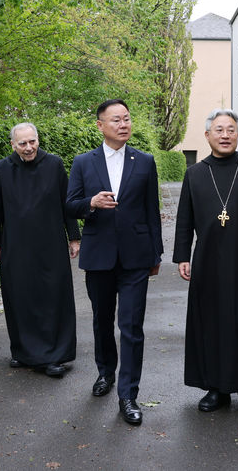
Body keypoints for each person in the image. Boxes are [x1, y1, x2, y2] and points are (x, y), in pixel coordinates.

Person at [173, 108, 238, 412]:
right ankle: (217, 389)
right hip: (208, 261)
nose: (225, 135)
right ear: (207, 135)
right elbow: (185, 219)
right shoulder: (195, 173)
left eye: (230, 129)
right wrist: (182, 255)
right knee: (212, 326)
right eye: (219, 130)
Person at [66, 99, 163, 426]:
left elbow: (152, 210)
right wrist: (90, 203)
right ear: (100, 125)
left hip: (136, 256)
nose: (123, 125)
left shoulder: (145, 161)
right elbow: (69, 205)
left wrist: (156, 253)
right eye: (116, 120)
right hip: (99, 255)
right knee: (102, 320)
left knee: (132, 326)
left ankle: (128, 395)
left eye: (127, 119)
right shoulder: (83, 162)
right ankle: (105, 372)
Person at [0, 123, 81, 378]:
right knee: (21, 297)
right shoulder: (3, 169)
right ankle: (24, 351)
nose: (29, 148)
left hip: (51, 243)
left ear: (38, 140)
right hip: (16, 244)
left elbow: (66, 202)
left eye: (32, 142)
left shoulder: (54, 164)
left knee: (52, 297)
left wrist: (74, 237)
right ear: (13, 145)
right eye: (23, 144)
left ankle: (53, 355)